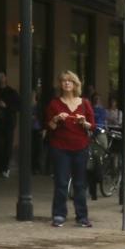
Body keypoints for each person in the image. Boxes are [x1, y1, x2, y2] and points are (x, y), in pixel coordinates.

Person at [44, 70, 96, 227]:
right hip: (60, 147)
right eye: (64, 81)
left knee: (80, 184)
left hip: (80, 147)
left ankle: (82, 216)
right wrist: (56, 118)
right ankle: (59, 215)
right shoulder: (54, 103)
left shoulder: (84, 103)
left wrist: (83, 122)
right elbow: (50, 126)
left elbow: (92, 126)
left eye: (70, 81)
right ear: (60, 85)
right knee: (61, 182)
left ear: (75, 85)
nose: (66, 83)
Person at [0, 71, 21, 179]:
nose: (0, 78)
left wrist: (6, 106)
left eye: (2, 76)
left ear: (6, 78)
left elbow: (19, 106)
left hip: (8, 122)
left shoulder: (12, 92)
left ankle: (5, 168)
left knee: (8, 145)